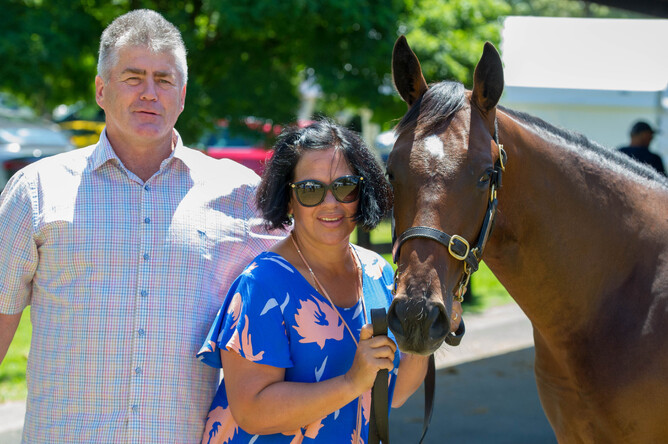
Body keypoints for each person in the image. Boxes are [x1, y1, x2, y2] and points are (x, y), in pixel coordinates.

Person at [0, 9, 282, 443]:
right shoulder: (36, 190)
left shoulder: (242, 196)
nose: (149, 93)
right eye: (133, 77)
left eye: (164, 80)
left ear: (182, 95)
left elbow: (305, 284)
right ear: (100, 89)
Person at [197, 120, 457, 443]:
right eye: (310, 190)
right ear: (288, 200)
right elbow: (251, 410)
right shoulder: (262, 285)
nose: (330, 202)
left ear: (361, 192)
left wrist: (427, 334)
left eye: (345, 186)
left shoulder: (380, 274)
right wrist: (351, 382)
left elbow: (395, 393)